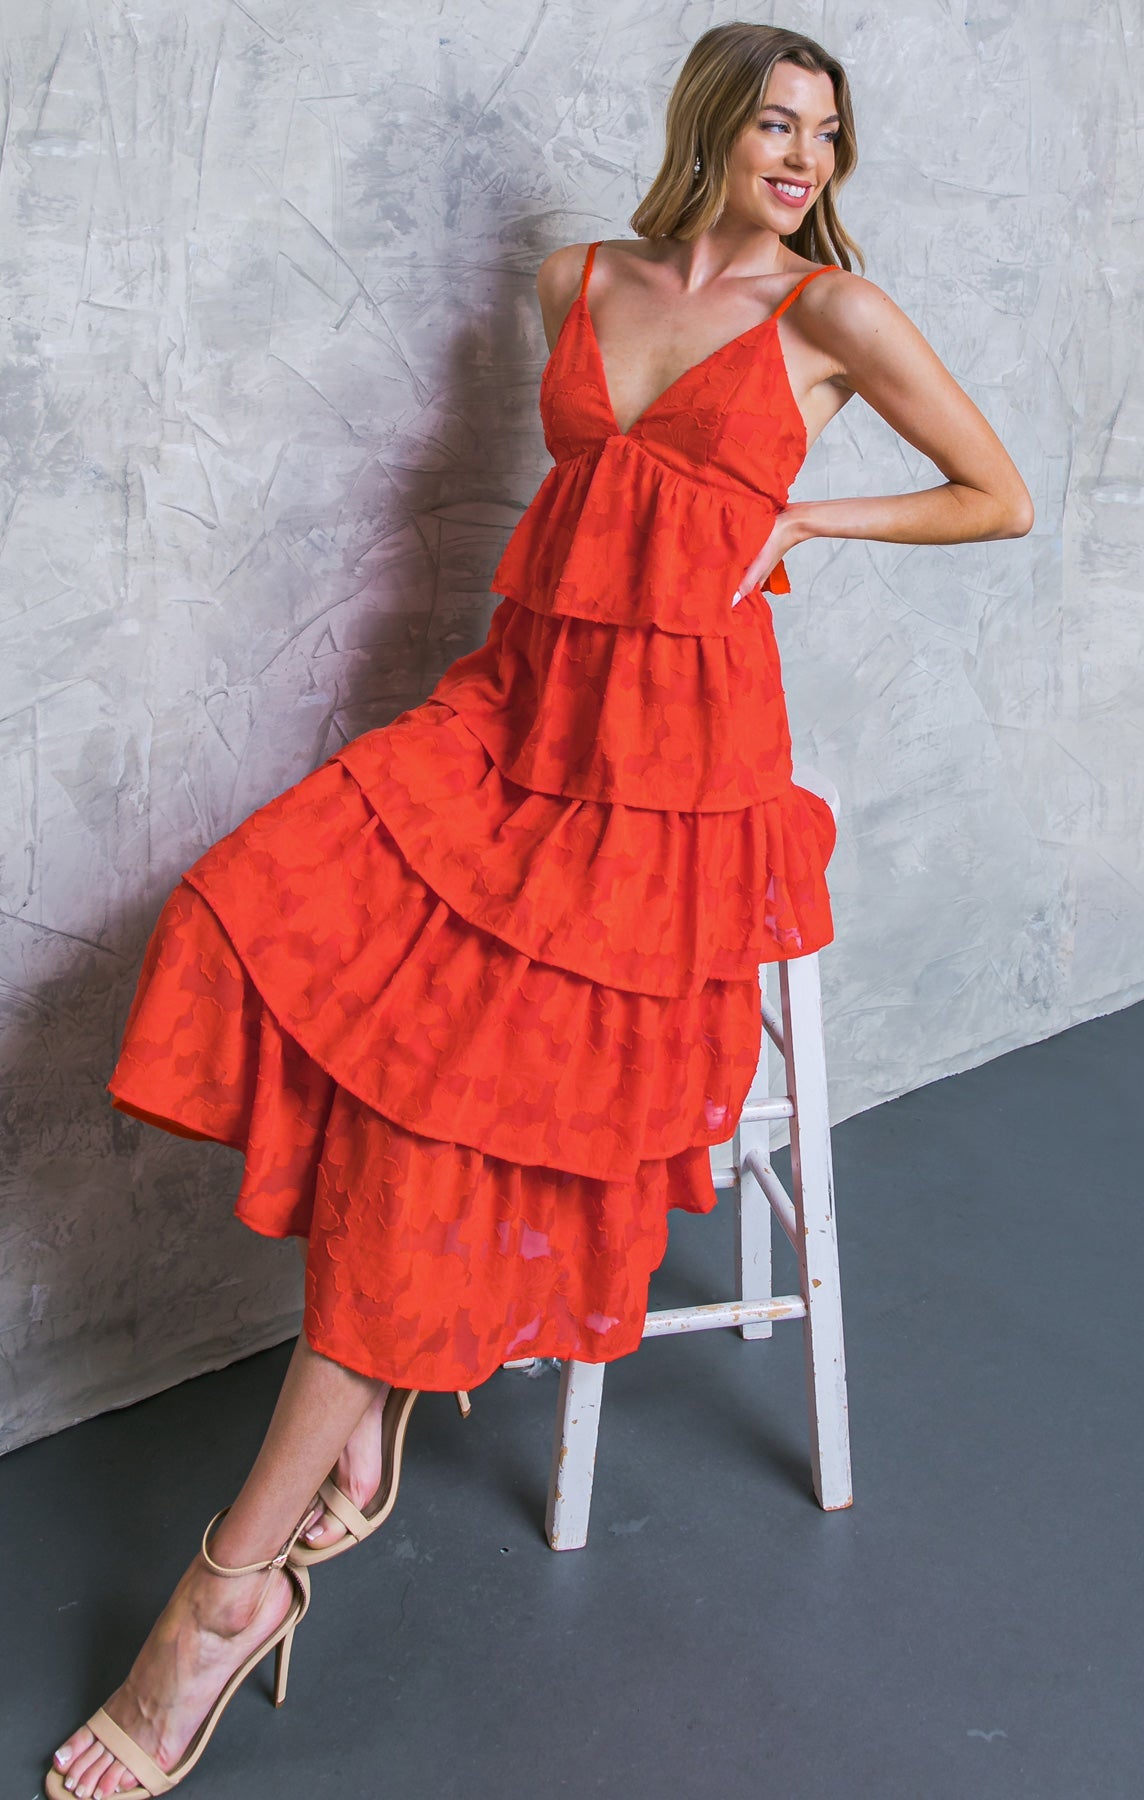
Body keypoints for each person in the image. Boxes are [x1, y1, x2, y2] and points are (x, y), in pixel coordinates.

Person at [45, 20, 1032, 1798]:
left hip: (675, 795)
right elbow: (582, 535)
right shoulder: (581, 281)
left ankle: (223, 1593)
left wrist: (811, 525)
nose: (803, 158)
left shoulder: (834, 319)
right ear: (712, 128)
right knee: (246, 907)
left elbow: (1000, 496)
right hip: (519, 723)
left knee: (441, 1133)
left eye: (828, 132)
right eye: (774, 124)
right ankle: (370, 1414)